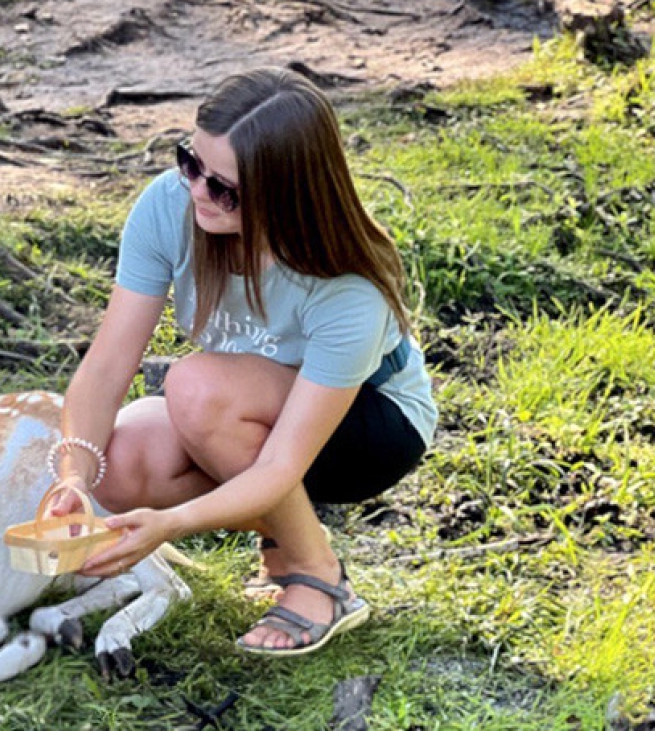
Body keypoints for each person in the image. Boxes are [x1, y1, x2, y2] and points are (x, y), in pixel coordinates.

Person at [44, 67, 438, 656]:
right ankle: (282, 529)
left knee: (196, 386)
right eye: (190, 163)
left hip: (367, 430)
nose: (197, 191)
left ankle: (316, 575)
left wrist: (172, 524)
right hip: (246, 411)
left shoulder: (349, 288)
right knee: (119, 463)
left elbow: (280, 463)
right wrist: (73, 475)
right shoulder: (169, 208)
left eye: (223, 188)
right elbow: (106, 366)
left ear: (287, 195)